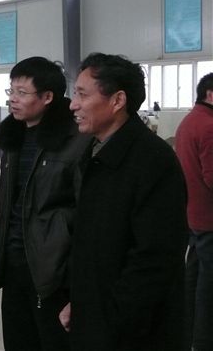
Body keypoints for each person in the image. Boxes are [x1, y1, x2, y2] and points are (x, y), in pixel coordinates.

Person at [62, 53, 187, 351]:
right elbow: (93, 247)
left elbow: (154, 260)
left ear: (117, 101)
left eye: (82, 95)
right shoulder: (95, 153)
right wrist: (80, 302)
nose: (73, 105)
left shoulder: (152, 161)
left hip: (133, 332)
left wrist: (110, 323)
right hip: (98, 317)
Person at [0, 57, 91, 351]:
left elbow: (85, 214)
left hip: (52, 272)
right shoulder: (13, 138)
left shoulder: (76, 141)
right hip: (13, 265)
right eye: (11, 91)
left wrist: (75, 278)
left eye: (22, 92)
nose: (13, 99)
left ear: (47, 97)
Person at [175, 72, 213, 351]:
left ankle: (187, 335)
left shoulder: (189, 121)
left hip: (193, 215)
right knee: (208, 287)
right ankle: (203, 341)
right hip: (209, 218)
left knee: (194, 279)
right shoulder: (209, 125)